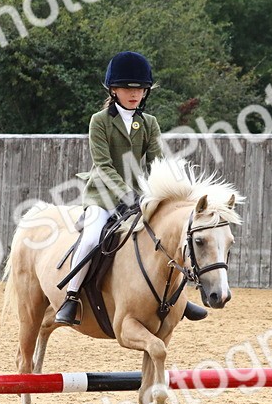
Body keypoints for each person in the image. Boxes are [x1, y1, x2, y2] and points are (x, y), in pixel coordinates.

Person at [55, 51, 207, 325]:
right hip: (103, 196)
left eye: (139, 88)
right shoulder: (99, 121)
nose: (134, 93)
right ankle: (72, 296)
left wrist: (164, 192)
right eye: (127, 88)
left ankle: (180, 299)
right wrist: (127, 194)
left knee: (170, 236)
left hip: (140, 197)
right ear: (113, 90)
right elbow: (103, 165)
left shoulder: (149, 123)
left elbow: (157, 163)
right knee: (91, 237)